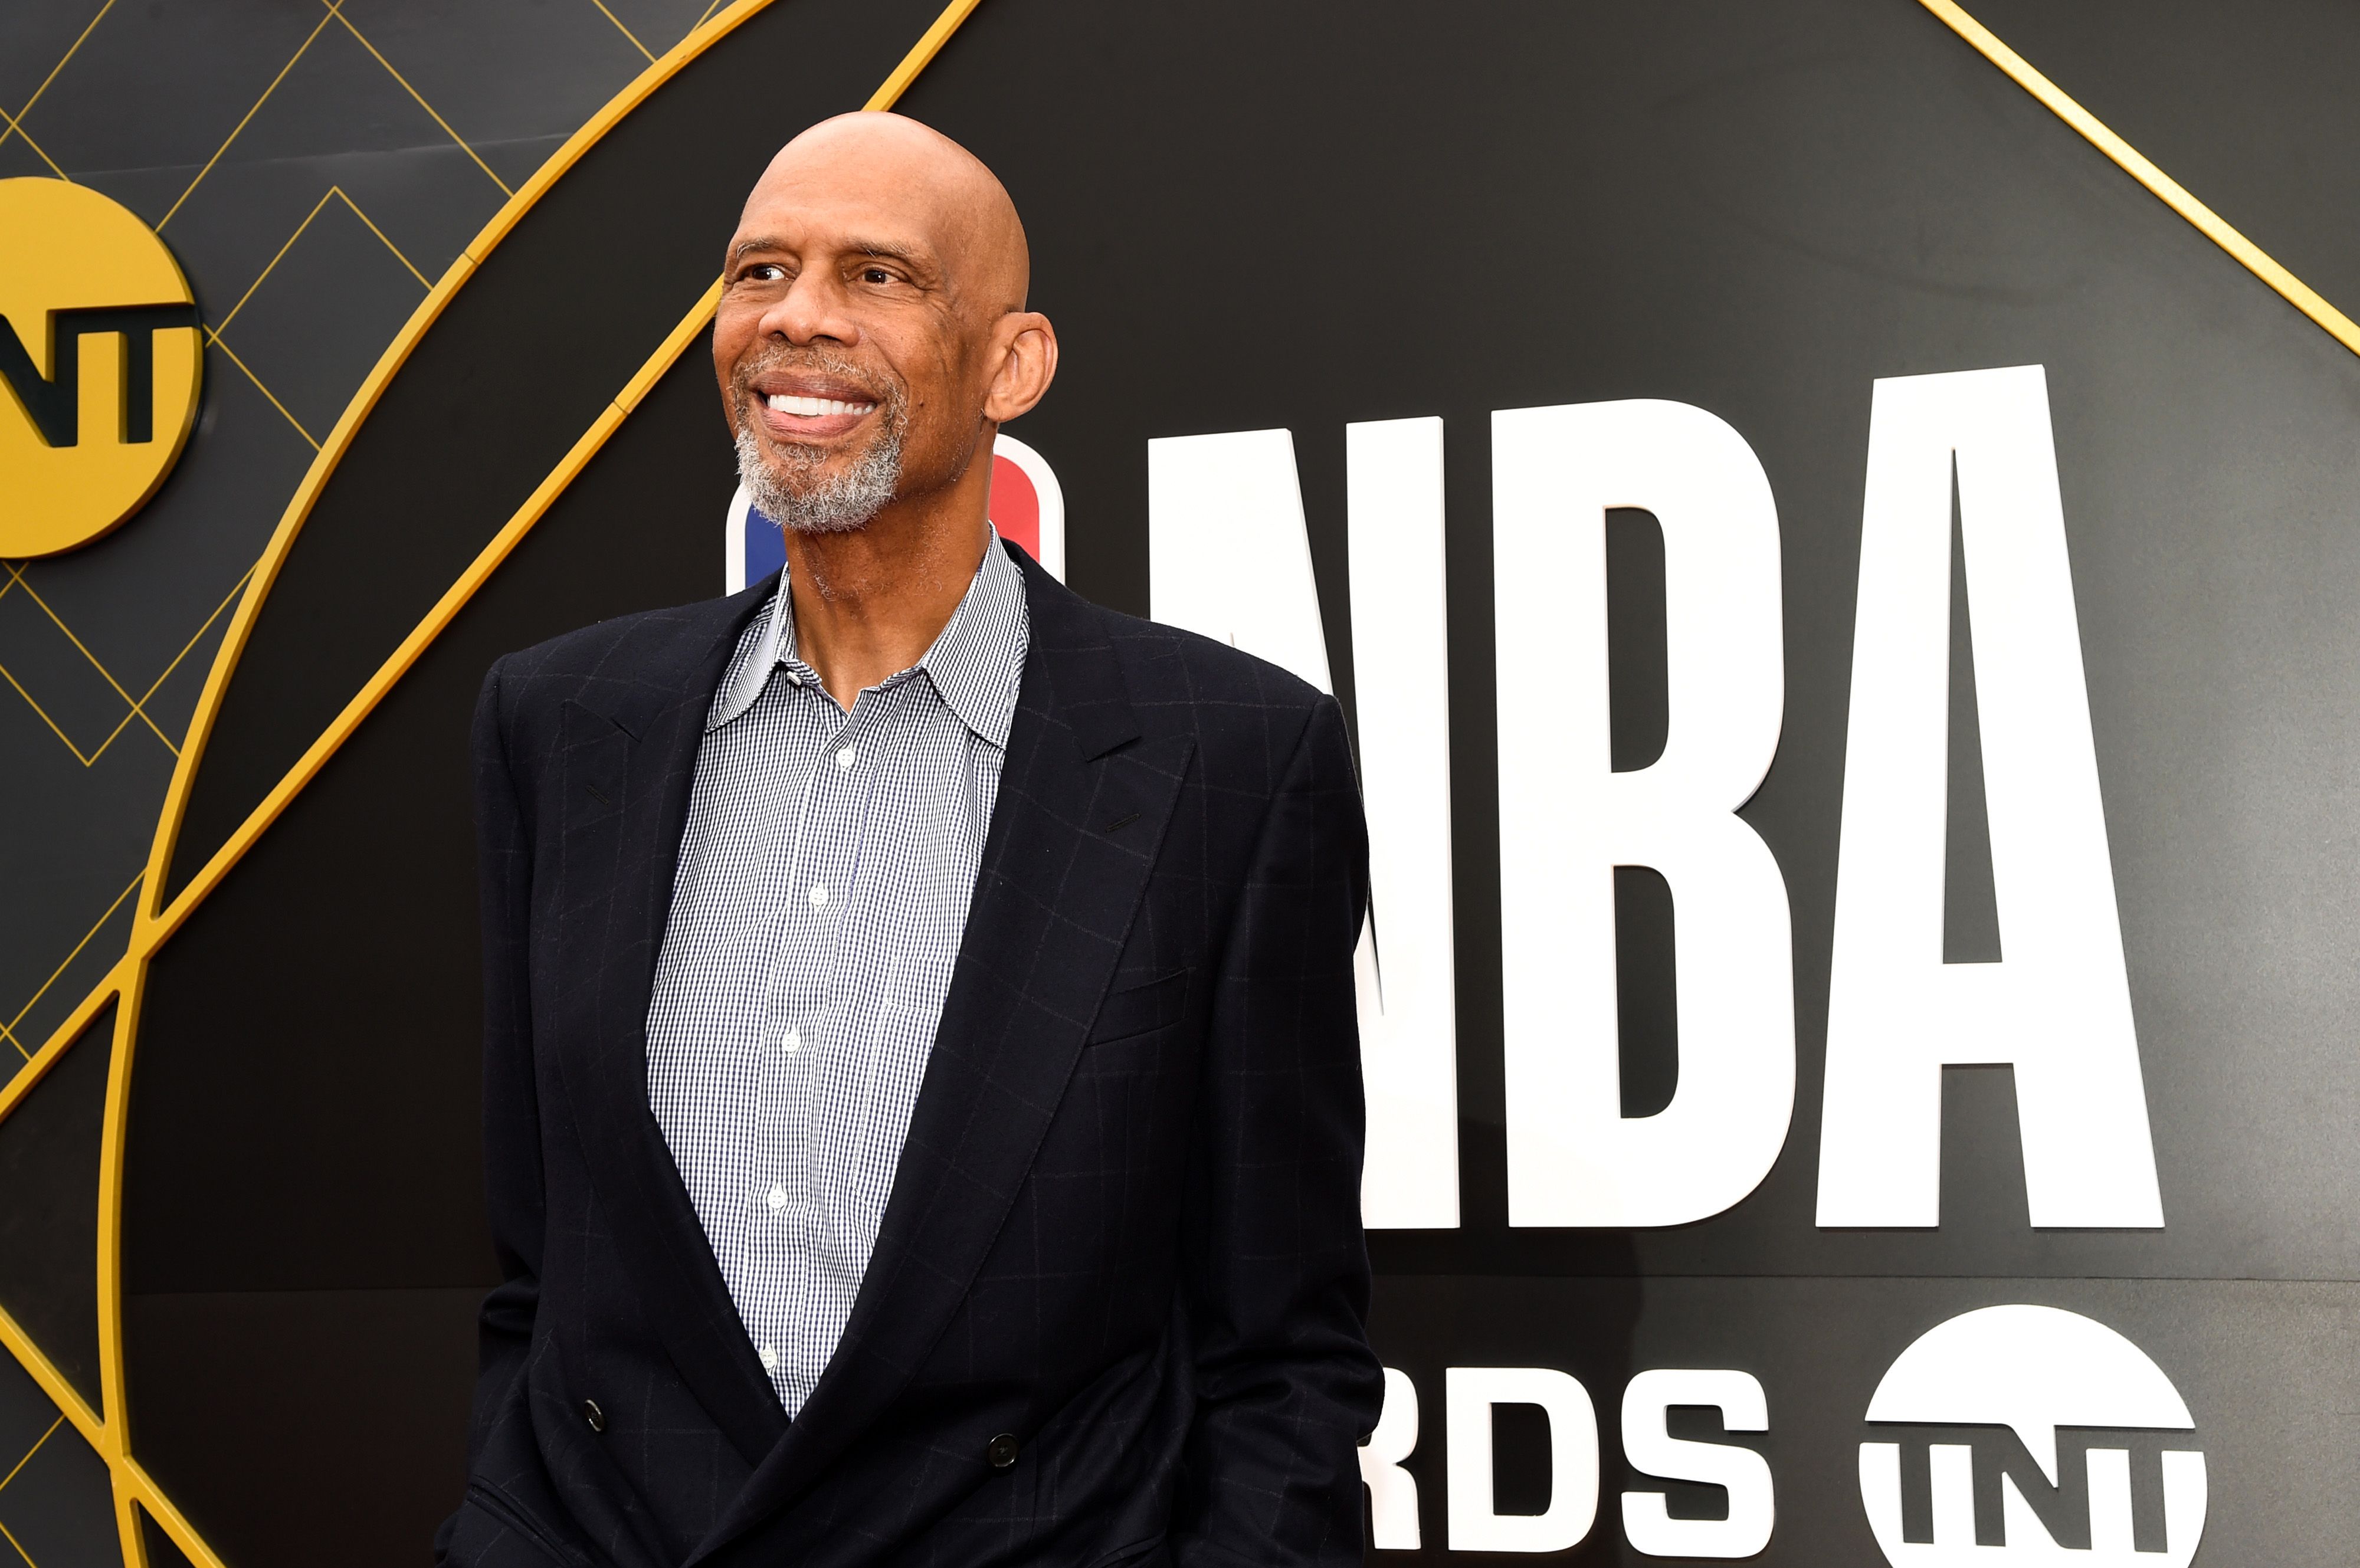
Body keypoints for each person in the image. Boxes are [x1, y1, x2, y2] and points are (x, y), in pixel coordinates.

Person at [440, 113, 1382, 1568]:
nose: (797, 318)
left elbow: (1281, 1356)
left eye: (877, 276)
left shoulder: (1228, 760)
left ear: (1012, 363)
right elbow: (539, 1278)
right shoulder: (563, 724)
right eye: (762, 270)